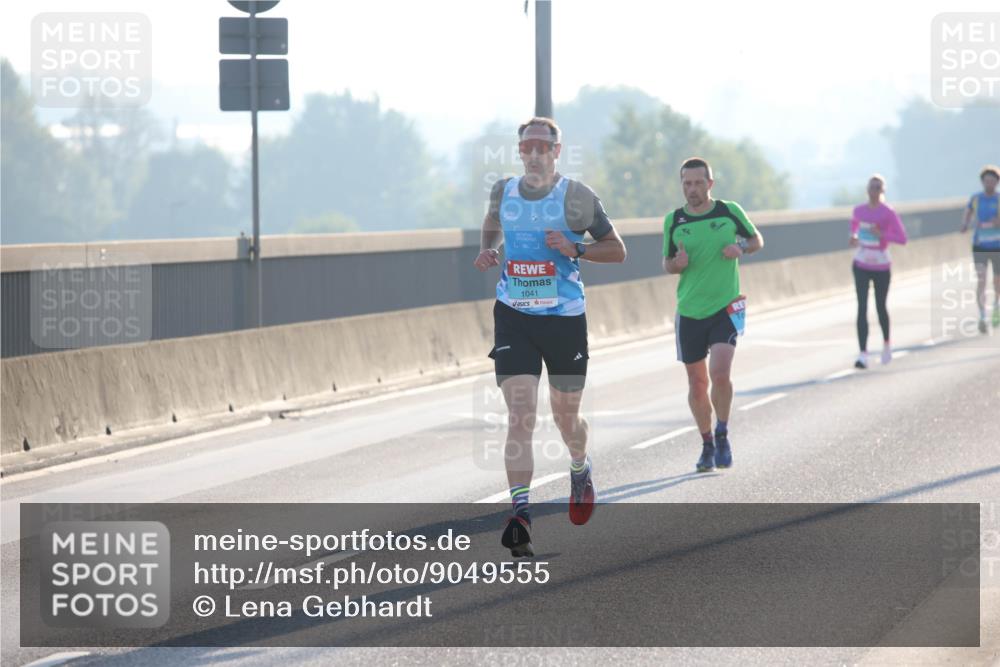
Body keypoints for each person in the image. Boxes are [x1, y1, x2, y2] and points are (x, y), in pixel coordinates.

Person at [473, 117, 626, 557]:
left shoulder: (576, 196)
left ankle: (579, 467)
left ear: (557, 151)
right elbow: (491, 220)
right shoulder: (504, 190)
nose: (535, 153)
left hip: (564, 319)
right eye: (528, 147)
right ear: (520, 152)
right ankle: (520, 512)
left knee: (565, 419)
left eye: (544, 146)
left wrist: (576, 248)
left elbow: (617, 250)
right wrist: (490, 249)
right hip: (514, 315)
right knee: (520, 413)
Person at [663, 157, 763, 473]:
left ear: (710, 184)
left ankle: (722, 432)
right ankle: (706, 444)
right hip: (690, 311)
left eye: (697, 182)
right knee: (696, 384)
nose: (692, 189)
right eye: (686, 183)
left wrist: (741, 249)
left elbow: (756, 240)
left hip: (726, 306)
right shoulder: (674, 220)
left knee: (720, 373)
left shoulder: (728, 211)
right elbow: (667, 263)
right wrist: (676, 264)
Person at [849, 174, 908, 368]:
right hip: (861, 262)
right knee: (862, 307)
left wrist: (881, 234)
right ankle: (863, 354)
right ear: (867, 190)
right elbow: (854, 230)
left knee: (880, 306)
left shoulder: (888, 212)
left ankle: (886, 344)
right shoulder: (858, 211)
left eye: (878, 188)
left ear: (883, 191)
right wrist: (855, 238)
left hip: (881, 264)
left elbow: (902, 238)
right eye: (872, 187)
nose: (874, 191)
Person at [960, 165, 1000, 333]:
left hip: (997, 245)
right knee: (981, 280)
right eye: (986, 181)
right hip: (980, 245)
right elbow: (968, 212)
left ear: (997, 183)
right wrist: (965, 224)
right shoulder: (976, 198)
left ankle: (996, 308)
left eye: (992, 181)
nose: (989, 184)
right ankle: (982, 315)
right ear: (982, 182)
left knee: (997, 282)